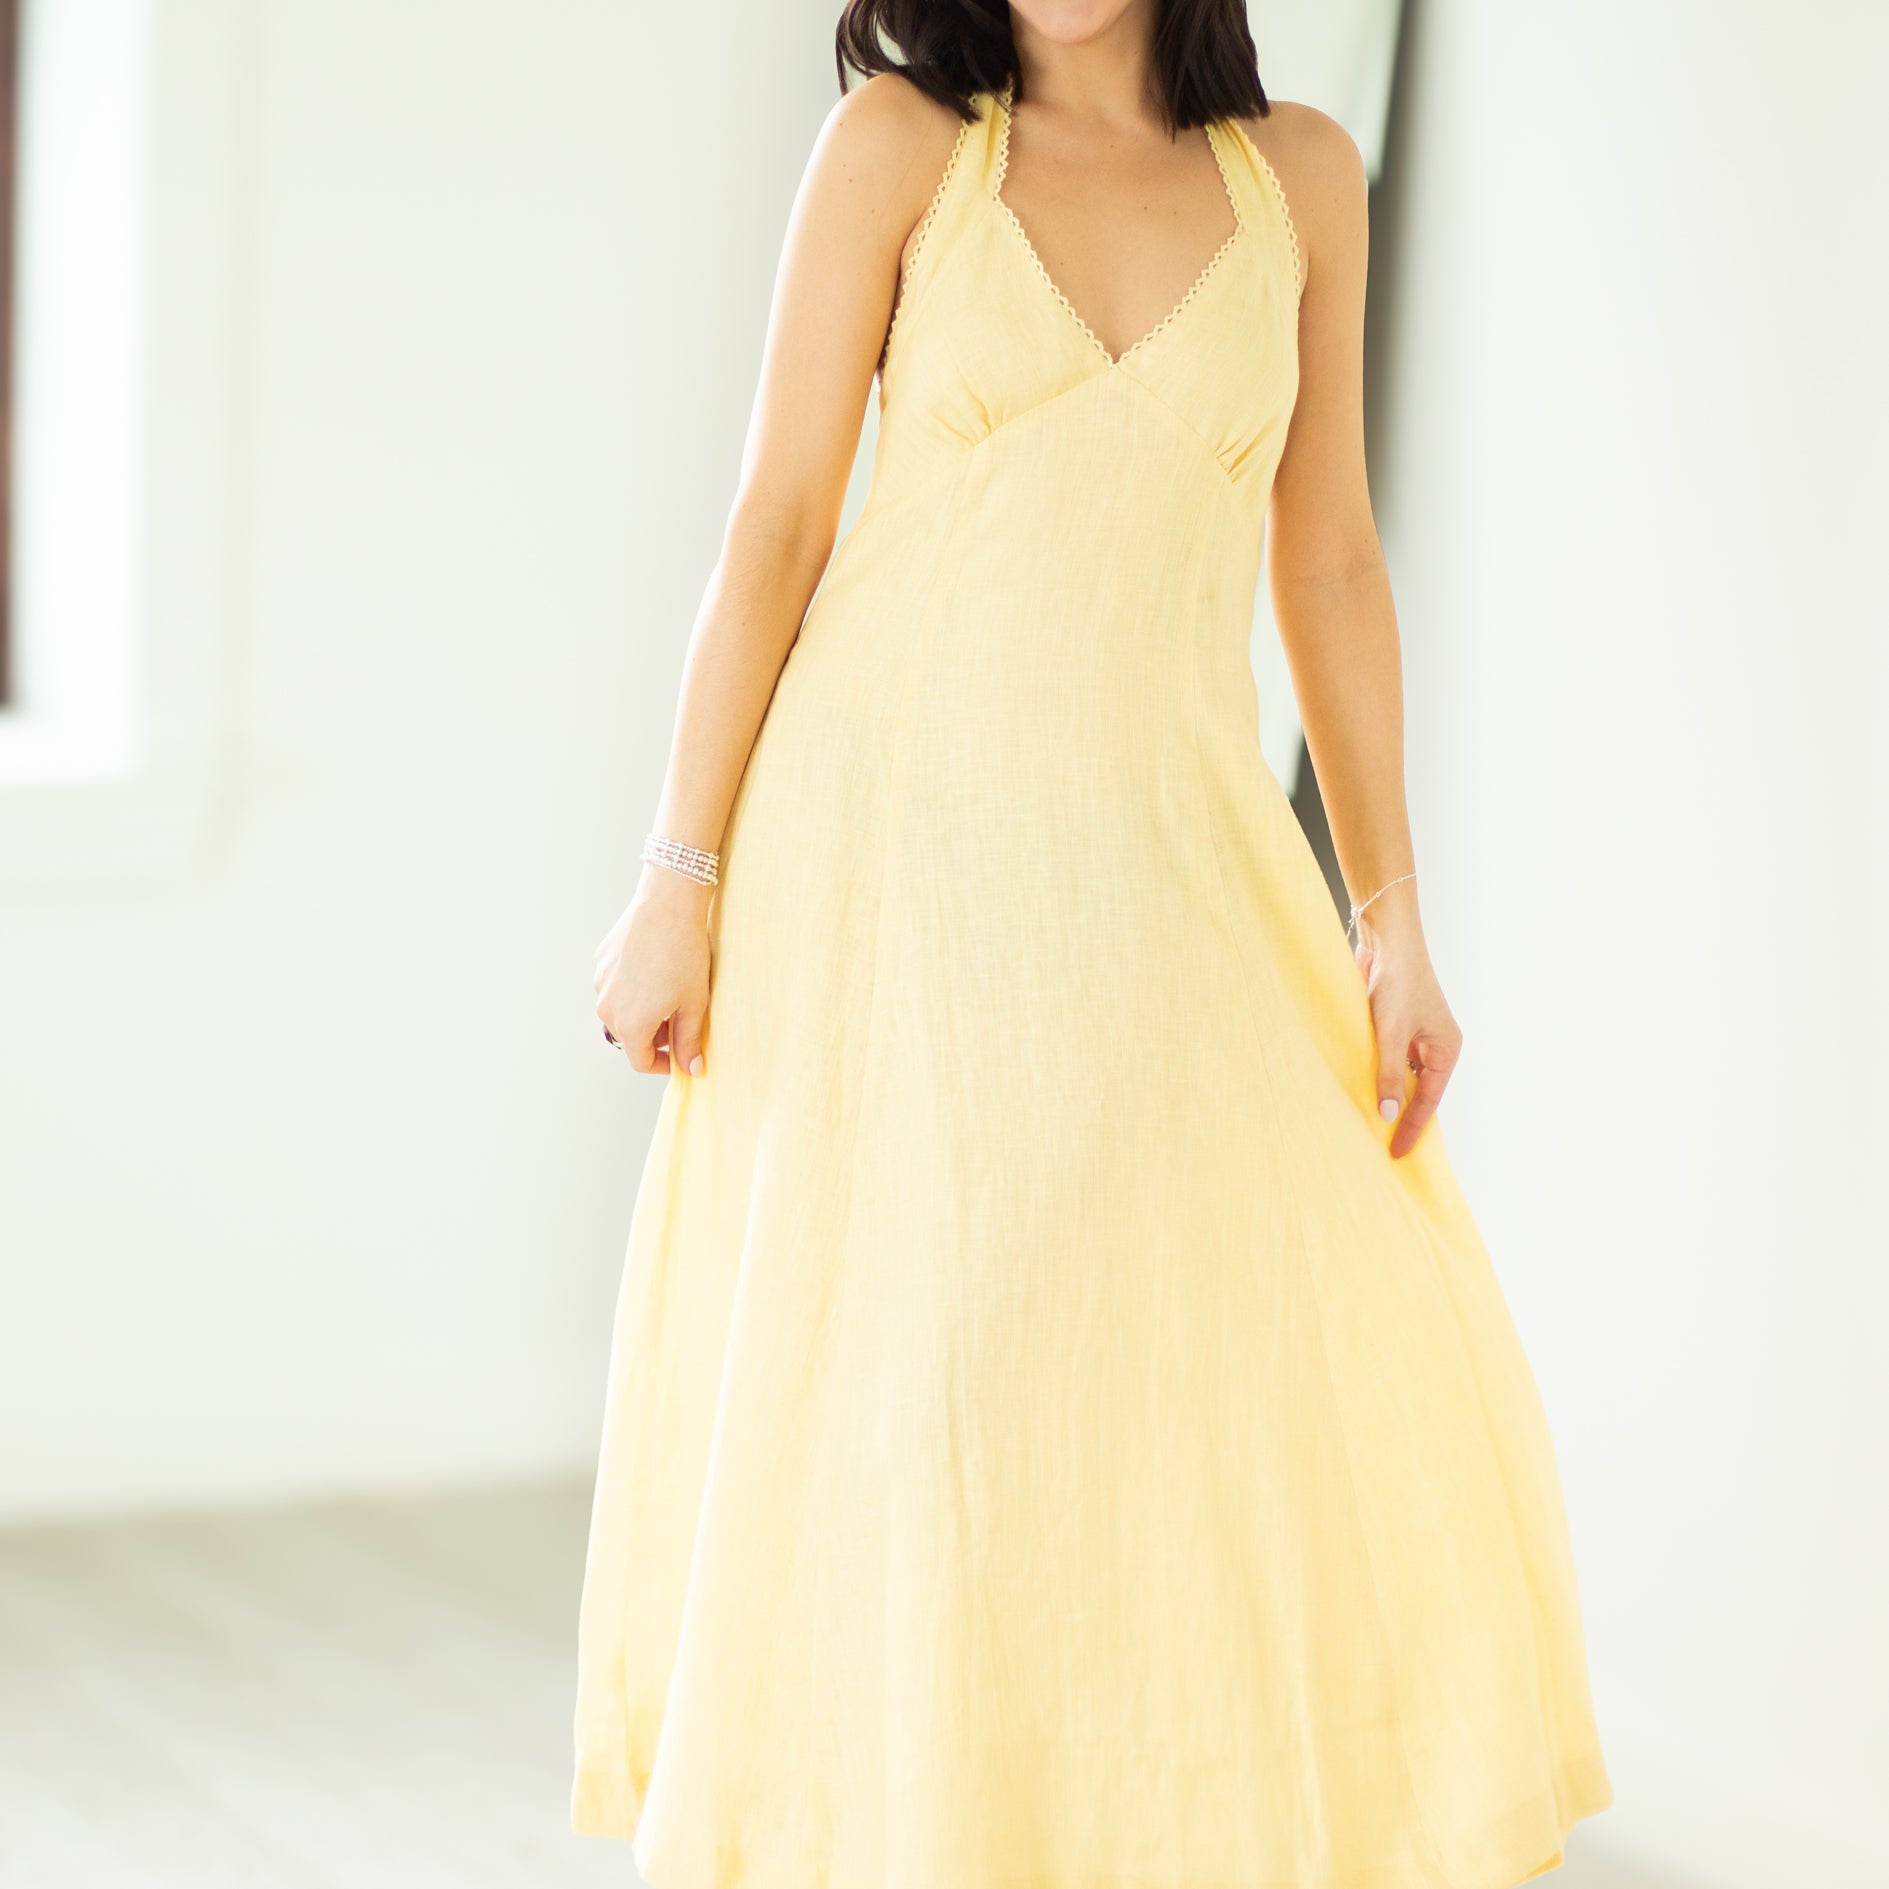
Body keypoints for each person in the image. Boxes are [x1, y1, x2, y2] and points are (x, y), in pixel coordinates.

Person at [573, 3, 1613, 1884]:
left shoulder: (1299, 175)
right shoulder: (905, 145)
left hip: (1170, 838)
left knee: (1224, 1345)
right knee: (922, 1379)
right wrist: (677, 868)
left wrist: (1391, 918)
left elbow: (1332, 565)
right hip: (885, 847)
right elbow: (778, 519)